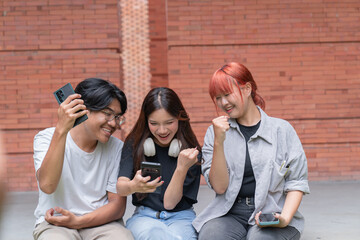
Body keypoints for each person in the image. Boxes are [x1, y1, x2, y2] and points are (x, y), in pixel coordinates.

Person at [193, 62, 310, 240]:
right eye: (217, 97)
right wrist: (219, 142)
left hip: (272, 211)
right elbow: (219, 186)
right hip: (230, 213)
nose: (223, 103)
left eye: (227, 94)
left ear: (247, 89)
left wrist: (284, 219)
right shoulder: (214, 132)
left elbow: (296, 182)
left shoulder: (282, 130)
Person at [32, 78, 133, 240]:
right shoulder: (46, 138)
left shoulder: (117, 148)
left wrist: (78, 222)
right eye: (107, 114)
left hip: (102, 223)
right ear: (83, 109)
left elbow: (117, 206)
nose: (114, 123)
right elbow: (47, 185)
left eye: (118, 117)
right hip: (56, 221)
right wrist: (61, 130)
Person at [117, 87, 201, 240]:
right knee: (155, 235)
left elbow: (169, 204)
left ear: (180, 118)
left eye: (169, 122)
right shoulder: (134, 143)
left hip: (181, 218)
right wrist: (133, 186)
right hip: (144, 218)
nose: (162, 130)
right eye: (154, 123)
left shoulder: (191, 152)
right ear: (146, 120)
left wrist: (181, 168)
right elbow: (120, 187)